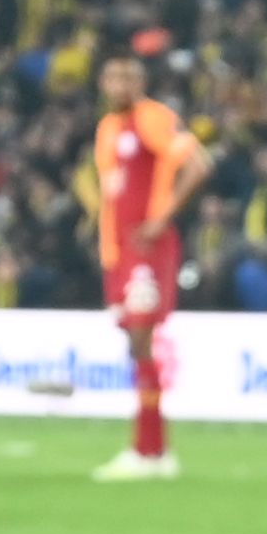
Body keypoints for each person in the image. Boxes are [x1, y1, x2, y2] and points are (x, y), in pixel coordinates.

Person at [83, 48, 207, 482]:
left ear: (139, 83)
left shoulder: (151, 117)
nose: (119, 86)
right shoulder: (107, 128)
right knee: (136, 346)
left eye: (127, 78)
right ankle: (155, 451)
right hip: (120, 252)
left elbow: (198, 164)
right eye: (111, 77)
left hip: (147, 251)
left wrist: (160, 219)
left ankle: (147, 450)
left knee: (140, 340)